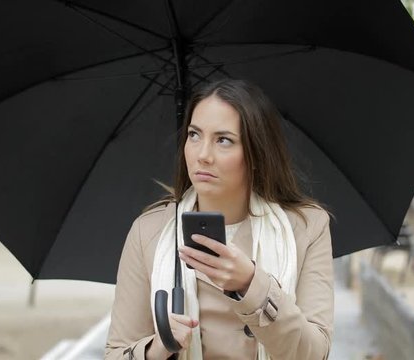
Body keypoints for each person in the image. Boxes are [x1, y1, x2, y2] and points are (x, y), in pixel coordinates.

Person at [105, 79, 334, 360]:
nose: (203, 155)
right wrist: (159, 347)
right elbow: (117, 353)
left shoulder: (307, 227)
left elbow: (315, 353)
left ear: (255, 153)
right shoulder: (150, 231)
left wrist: (251, 284)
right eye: (194, 135)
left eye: (223, 140)